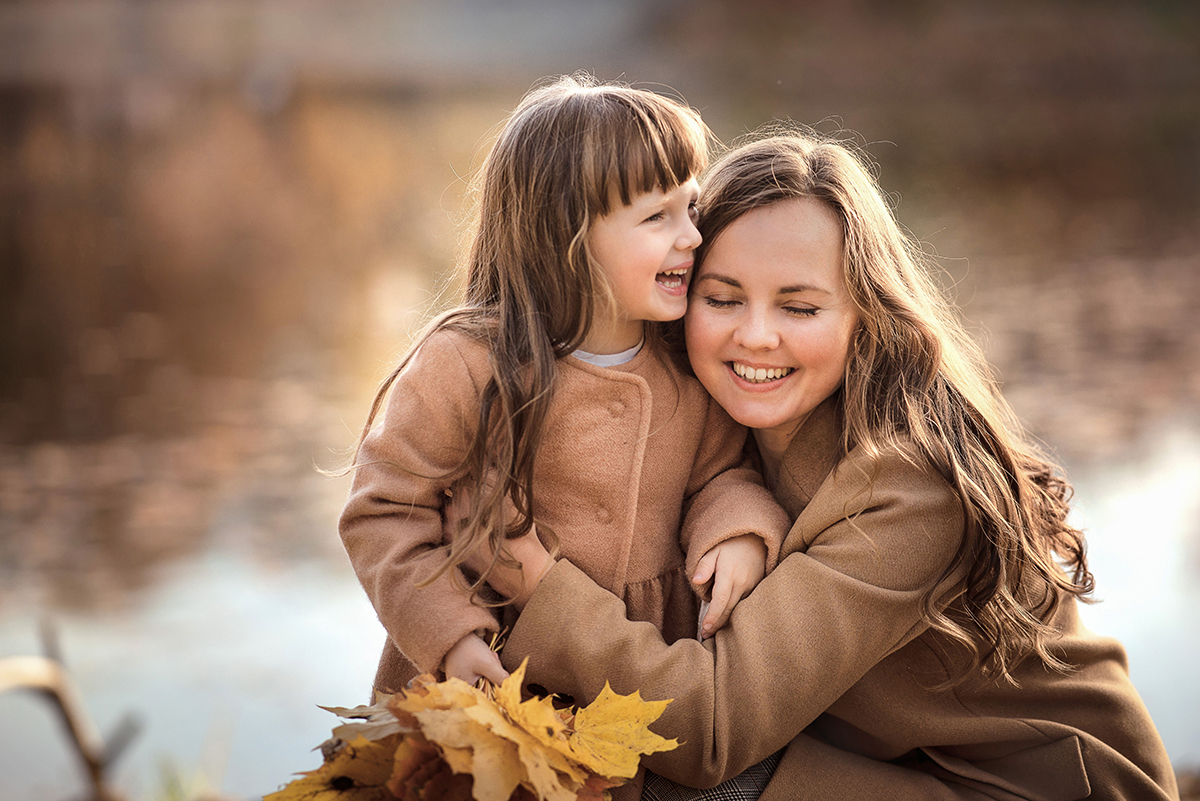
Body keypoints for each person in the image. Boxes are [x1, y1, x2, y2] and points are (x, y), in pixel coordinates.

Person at [475, 131, 1180, 800]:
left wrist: (542, 589)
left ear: (865, 315)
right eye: (721, 298)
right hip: (892, 763)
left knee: (678, 777)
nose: (755, 335)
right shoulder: (710, 419)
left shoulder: (909, 487)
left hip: (1029, 789)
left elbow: (712, 728)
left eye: (801, 307)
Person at [338, 75, 790, 702]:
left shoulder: (686, 361)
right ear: (565, 239)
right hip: (484, 675)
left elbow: (722, 474)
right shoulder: (469, 363)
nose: (691, 236)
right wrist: (451, 635)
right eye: (657, 217)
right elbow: (384, 510)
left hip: (628, 668)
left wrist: (736, 531)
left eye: (691, 208)